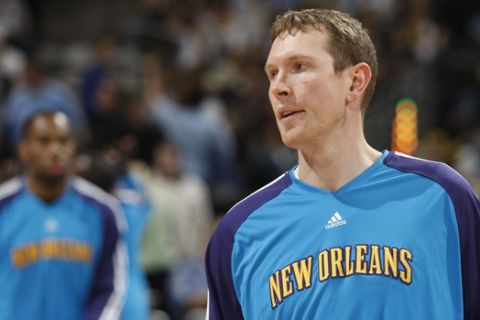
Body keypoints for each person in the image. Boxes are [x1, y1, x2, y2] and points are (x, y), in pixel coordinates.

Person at [205, 8, 480, 320]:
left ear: (355, 81)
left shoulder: (441, 195)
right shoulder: (238, 232)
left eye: (299, 67)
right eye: (272, 73)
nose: (279, 87)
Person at [0, 111, 126, 319]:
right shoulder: (4, 207)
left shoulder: (104, 211)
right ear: (23, 149)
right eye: (44, 141)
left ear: (73, 148)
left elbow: (109, 288)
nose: (55, 150)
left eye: (63, 141)